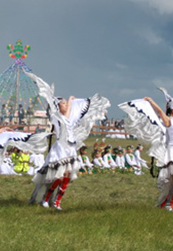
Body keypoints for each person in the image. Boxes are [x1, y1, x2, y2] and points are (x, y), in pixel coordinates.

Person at [27, 73, 110, 210]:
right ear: (58, 107)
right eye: (63, 103)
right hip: (60, 149)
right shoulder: (56, 117)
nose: (66, 105)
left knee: (67, 176)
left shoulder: (68, 118)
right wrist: (63, 99)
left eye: (66, 103)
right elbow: (59, 110)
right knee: (59, 176)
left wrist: (71, 99)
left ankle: (57, 201)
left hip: (70, 147)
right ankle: (46, 199)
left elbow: (69, 110)